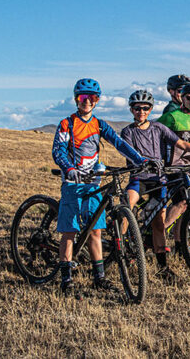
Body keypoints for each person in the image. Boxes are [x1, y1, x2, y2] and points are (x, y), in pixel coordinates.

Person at [51, 78, 149, 295]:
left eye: (92, 98)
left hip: (93, 182)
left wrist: (139, 159)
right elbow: (58, 151)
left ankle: (99, 277)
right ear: (76, 99)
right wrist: (68, 169)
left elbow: (119, 143)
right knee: (69, 232)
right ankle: (66, 280)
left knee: (95, 231)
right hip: (73, 183)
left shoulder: (99, 124)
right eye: (83, 97)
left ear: (97, 101)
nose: (87, 101)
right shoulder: (67, 123)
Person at [120, 89, 190, 282]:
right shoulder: (127, 131)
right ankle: (121, 247)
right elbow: (128, 153)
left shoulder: (158, 128)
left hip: (158, 180)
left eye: (145, 108)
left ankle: (163, 268)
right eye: (137, 108)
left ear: (150, 109)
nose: (141, 111)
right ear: (131, 110)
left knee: (159, 224)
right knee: (128, 204)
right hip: (139, 178)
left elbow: (181, 143)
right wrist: (143, 162)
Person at [157, 82, 190, 252]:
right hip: (174, 167)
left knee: (187, 208)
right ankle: (158, 232)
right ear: (182, 98)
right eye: (188, 97)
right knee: (182, 203)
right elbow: (154, 131)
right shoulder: (172, 116)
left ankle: (179, 244)